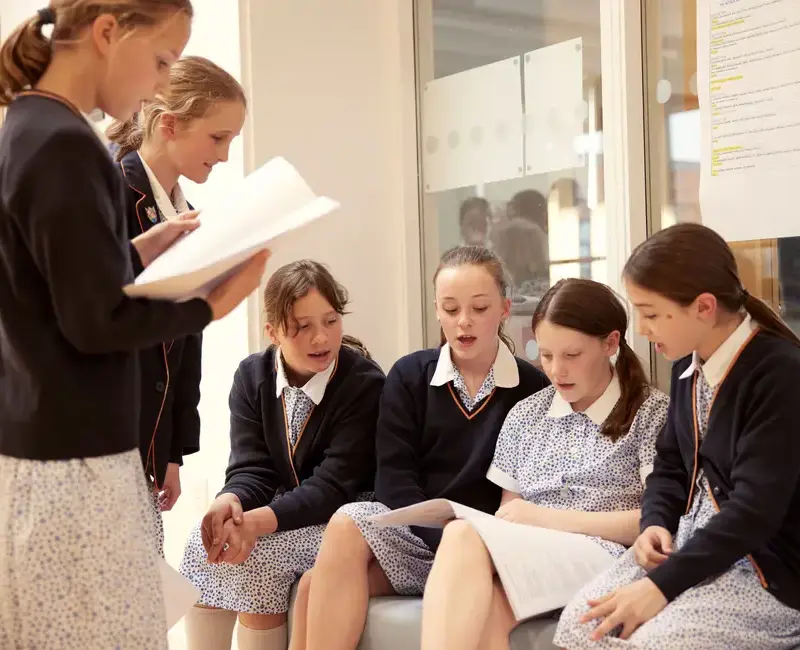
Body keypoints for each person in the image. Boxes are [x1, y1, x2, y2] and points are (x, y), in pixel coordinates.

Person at [0, 3, 268, 650]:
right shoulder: (65, 143)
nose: (156, 86)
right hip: (74, 465)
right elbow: (94, 321)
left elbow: (61, 288)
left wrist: (139, 251)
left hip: (51, 454)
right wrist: (213, 303)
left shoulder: (30, 128)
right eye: (160, 62)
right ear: (107, 34)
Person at [553, 223, 800, 649]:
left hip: (767, 570)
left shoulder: (777, 373)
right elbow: (671, 465)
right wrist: (654, 523)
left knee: (652, 643)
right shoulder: (689, 365)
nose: (641, 329)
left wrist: (660, 586)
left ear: (704, 307)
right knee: (581, 625)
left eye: (653, 313)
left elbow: (755, 512)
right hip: (690, 549)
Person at [291, 246, 550, 650]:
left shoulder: (533, 388)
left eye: (479, 308)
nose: (463, 322)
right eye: (450, 308)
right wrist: (437, 537)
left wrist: (460, 544)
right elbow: (393, 478)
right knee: (346, 523)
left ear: (504, 309)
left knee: (313, 585)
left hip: (481, 545)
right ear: (436, 310)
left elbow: (524, 493)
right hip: (414, 532)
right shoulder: (410, 374)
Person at [420, 278, 669, 650]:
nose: (557, 371)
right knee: (485, 609)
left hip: (611, 558)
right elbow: (510, 515)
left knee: (461, 535)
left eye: (572, 356)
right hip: (535, 556)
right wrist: (526, 519)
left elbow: (655, 523)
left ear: (611, 343)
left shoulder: (652, 413)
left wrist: (543, 518)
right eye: (546, 355)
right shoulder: (526, 414)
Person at [179, 260, 385, 650]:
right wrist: (229, 502)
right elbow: (252, 468)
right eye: (303, 326)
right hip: (283, 514)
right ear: (272, 331)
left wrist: (255, 524)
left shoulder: (365, 384)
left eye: (330, 321)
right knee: (200, 544)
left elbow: (332, 487)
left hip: (341, 521)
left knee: (258, 556)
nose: (320, 338)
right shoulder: (251, 377)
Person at [108, 55, 247, 555]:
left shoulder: (185, 213)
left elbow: (186, 345)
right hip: (104, 432)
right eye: (218, 138)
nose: (226, 155)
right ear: (169, 125)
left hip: (146, 439)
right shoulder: (112, 194)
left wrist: (172, 452)